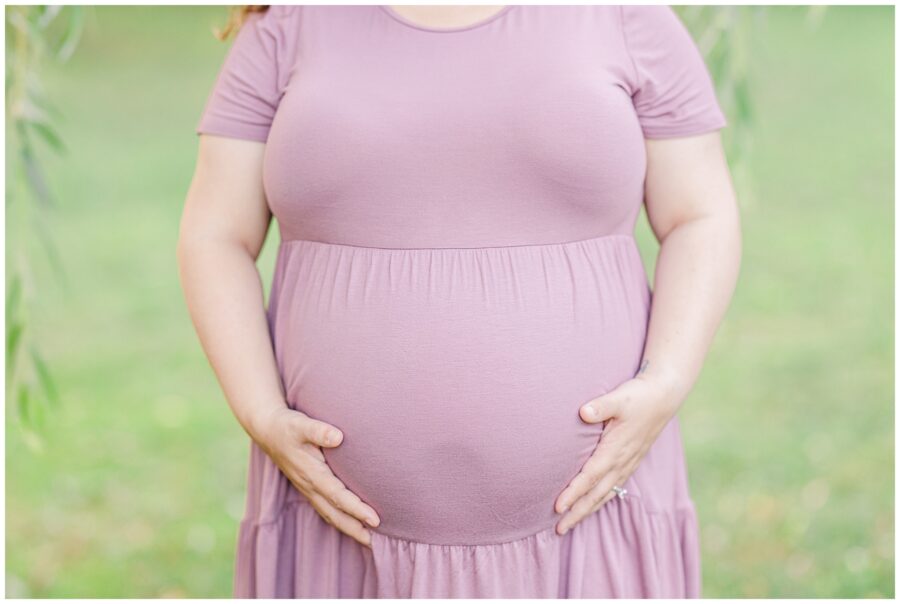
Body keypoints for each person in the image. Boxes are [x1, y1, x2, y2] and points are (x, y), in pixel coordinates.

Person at [178, 4, 741, 598]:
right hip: (337, 534)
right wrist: (260, 411)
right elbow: (217, 234)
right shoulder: (290, 24)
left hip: (590, 520)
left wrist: (667, 381)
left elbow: (699, 214)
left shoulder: (623, 15)